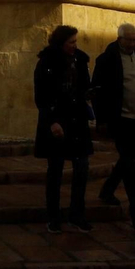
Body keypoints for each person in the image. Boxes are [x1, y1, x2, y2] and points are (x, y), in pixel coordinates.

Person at [91, 22, 135, 230]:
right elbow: (97, 91)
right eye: (128, 40)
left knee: (127, 160)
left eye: (134, 40)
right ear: (119, 39)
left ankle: (106, 190)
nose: (132, 44)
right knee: (130, 166)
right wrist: (101, 120)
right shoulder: (106, 59)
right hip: (118, 119)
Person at [33, 24, 94, 233]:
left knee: (81, 168)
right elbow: (41, 96)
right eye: (71, 42)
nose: (75, 46)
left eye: (76, 42)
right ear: (61, 43)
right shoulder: (46, 63)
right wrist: (52, 121)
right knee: (56, 170)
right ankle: (53, 216)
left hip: (77, 122)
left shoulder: (81, 60)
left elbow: (85, 87)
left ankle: (77, 214)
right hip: (57, 122)